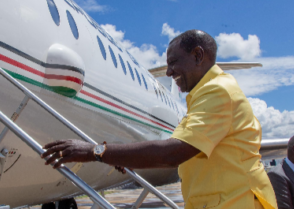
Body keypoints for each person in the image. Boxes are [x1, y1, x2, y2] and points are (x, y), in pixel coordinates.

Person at [41, 29, 277, 209]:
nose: (168, 72)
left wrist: (96, 151)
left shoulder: (218, 91)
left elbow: (172, 153)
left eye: (173, 62)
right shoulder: (204, 97)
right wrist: (127, 157)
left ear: (198, 56)